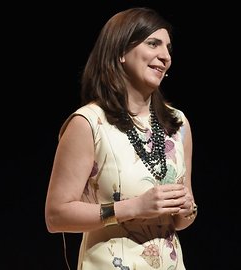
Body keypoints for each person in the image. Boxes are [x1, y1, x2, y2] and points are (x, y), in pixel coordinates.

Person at [45, 7, 197, 270]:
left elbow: (182, 218)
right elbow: (56, 215)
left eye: (168, 48)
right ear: (120, 51)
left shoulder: (178, 124)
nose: (165, 56)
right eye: (153, 43)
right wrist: (135, 207)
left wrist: (187, 210)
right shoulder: (89, 122)